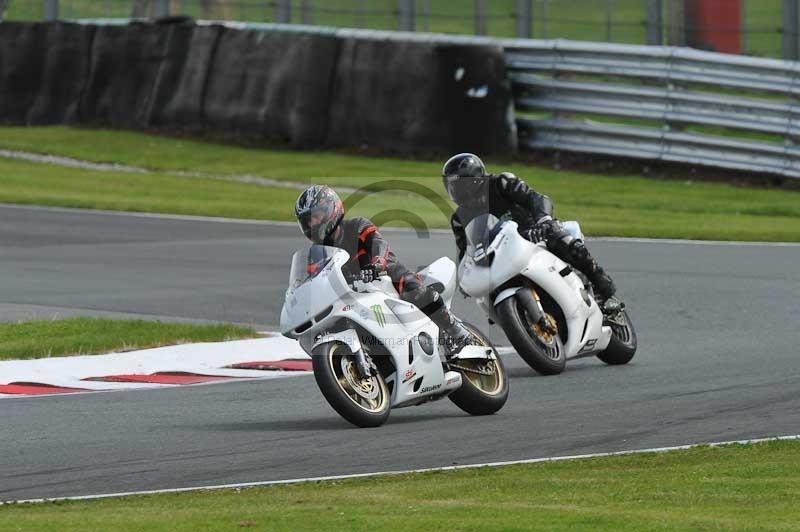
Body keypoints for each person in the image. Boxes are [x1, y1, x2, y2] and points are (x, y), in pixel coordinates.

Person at [295, 185, 472, 354]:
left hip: (385, 276)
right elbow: (313, 279)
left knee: (413, 291)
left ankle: (456, 331)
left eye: (315, 216)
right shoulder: (316, 254)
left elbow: (378, 243)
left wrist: (376, 264)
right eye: (307, 221)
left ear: (330, 210)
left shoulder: (356, 226)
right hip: (352, 297)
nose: (312, 224)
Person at [442, 153, 623, 314]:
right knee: (485, 294)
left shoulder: (501, 183)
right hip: (500, 252)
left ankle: (606, 291)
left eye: (458, 185)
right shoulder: (460, 217)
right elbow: (464, 251)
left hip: (534, 233)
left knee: (563, 240)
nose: (455, 191)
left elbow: (537, 198)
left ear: (475, 179)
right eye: (451, 186)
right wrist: (463, 279)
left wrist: (543, 220)